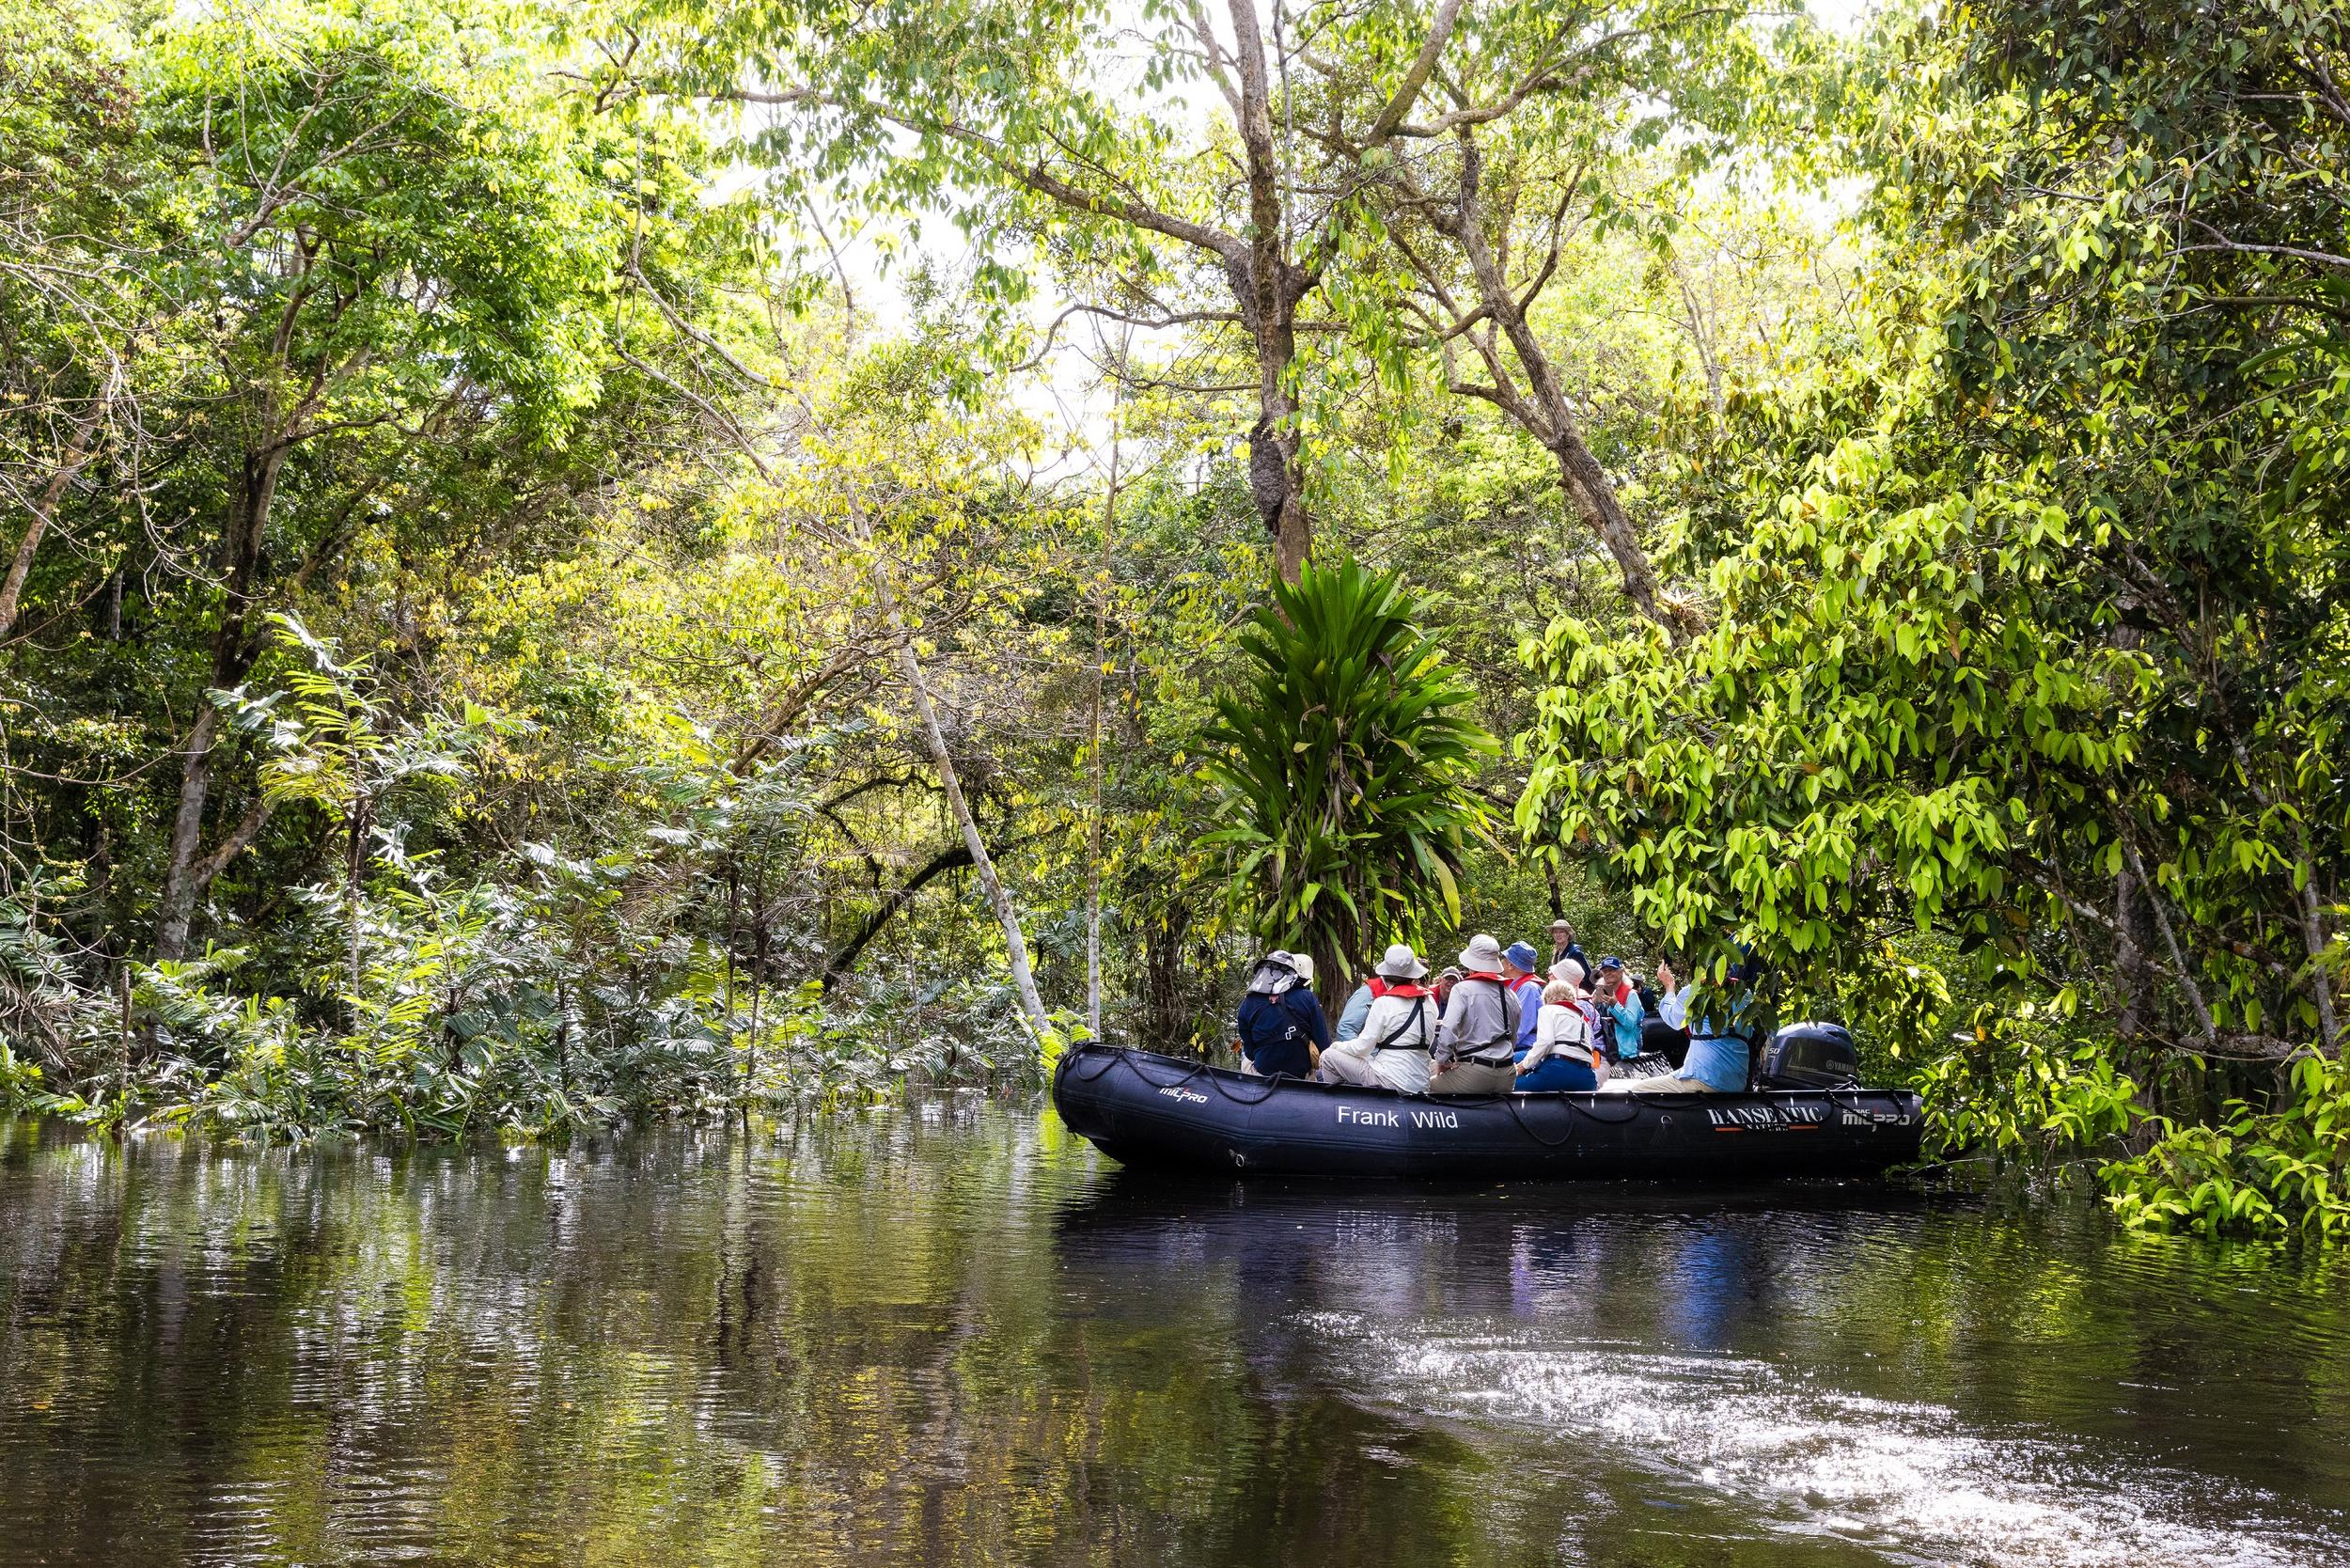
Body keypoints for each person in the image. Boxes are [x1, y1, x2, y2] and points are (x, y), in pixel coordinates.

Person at [1317, 943, 1437, 1091]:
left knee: (1329, 1056)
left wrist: (1338, 1046)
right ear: (1414, 974)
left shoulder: (1383, 1002)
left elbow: (1362, 1048)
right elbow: (1428, 1044)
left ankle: (1339, 1106)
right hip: (1421, 1083)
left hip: (1387, 1079)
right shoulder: (1430, 1001)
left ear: (1385, 974)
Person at [1431, 934, 1522, 1095]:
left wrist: (1443, 1060)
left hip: (1474, 1074)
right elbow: (1513, 1036)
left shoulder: (1462, 989)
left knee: (1423, 1084)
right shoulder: (1510, 994)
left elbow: (1449, 1027)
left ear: (1471, 965)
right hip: (1506, 1073)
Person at [1233, 950, 1329, 1078]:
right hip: (1300, 1073)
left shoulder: (1248, 1003)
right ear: (1292, 972)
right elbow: (1324, 1044)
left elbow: (1251, 1053)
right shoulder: (1307, 997)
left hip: (1264, 1072)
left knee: (1246, 1052)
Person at [1515, 977, 1606, 1091]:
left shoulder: (1548, 1010)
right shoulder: (1582, 1019)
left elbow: (1546, 1042)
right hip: (1587, 1078)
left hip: (1557, 1070)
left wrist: (1522, 1066)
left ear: (1547, 997)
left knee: (1512, 1085)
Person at [1595, 956, 1646, 1061]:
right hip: (1604, 1055)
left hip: (1625, 1056)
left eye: (1612, 970)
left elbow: (1630, 1024)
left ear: (1621, 972)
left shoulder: (1631, 995)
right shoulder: (1599, 993)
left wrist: (1615, 1005)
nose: (1608, 973)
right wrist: (1594, 1002)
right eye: (1605, 971)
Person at [1502, 941, 1544, 1054]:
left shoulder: (1528, 988)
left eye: (1503, 959)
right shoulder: (1518, 986)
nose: (1501, 962)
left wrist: (1499, 1050)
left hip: (1525, 1049)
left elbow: (1520, 1028)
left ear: (1510, 965)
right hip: (1518, 1047)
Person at [1549, 919, 1590, 987]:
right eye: (1555, 932)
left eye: (1561, 932)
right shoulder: (1557, 953)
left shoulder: (1575, 953)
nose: (1558, 935)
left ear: (1568, 934)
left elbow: (1587, 977)